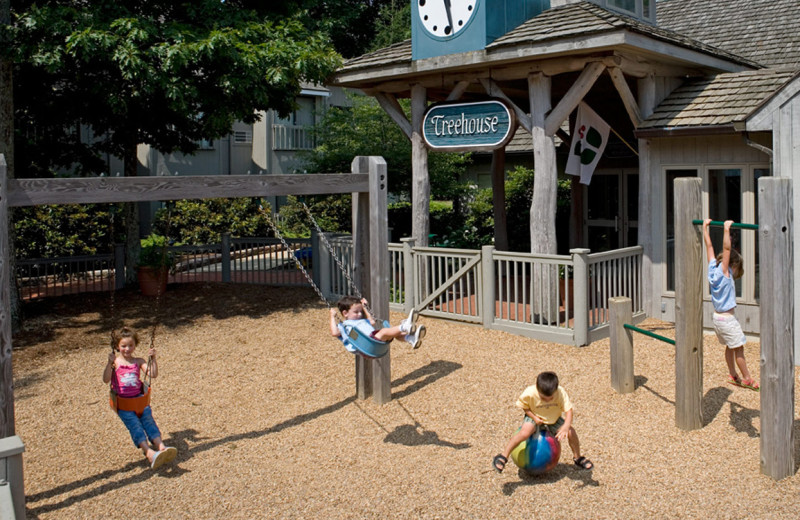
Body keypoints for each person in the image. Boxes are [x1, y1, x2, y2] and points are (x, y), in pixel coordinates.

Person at [103, 327, 178, 469]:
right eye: (123, 346)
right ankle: (149, 452)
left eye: (130, 345)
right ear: (117, 347)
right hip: (124, 404)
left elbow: (153, 374)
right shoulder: (115, 363)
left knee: (149, 421)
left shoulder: (138, 361)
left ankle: (161, 446)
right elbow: (106, 379)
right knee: (135, 427)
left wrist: (153, 359)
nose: (127, 349)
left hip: (140, 399)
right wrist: (109, 363)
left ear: (135, 345)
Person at [492, 371, 593, 473]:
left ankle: (578, 457)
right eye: (543, 398)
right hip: (535, 417)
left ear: (556, 389)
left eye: (551, 398)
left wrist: (566, 426)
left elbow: (569, 411)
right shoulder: (530, 392)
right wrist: (534, 417)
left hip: (553, 419)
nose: (547, 401)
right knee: (525, 432)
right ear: (537, 388)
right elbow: (525, 407)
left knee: (571, 432)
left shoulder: (560, 392)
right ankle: (503, 456)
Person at [703, 219, 759, 391]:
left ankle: (732, 374)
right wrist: (726, 229)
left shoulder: (712, 268)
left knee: (730, 345)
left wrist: (705, 228)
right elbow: (727, 249)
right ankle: (747, 378)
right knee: (739, 348)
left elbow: (709, 248)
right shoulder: (724, 272)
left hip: (717, 318)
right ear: (733, 265)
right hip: (727, 319)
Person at [330, 296, 426, 351]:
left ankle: (411, 338)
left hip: (374, 340)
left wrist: (365, 308)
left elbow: (372, 321)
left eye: (360, 311)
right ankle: (405, 326)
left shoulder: (361, 321)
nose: (359, 314)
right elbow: (334, 333)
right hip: (366, 344)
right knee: (384, 331)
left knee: (394, 334)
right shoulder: (345, 325)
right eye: (356, 312)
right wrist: (332, 316)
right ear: (345, 313)